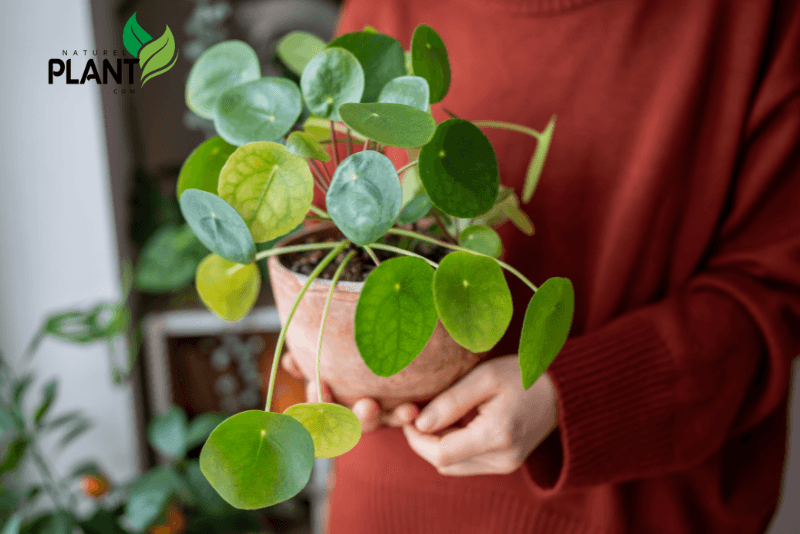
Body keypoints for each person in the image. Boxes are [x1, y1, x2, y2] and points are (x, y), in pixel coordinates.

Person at [283, 0, 800, 532]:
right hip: (395, 497)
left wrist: (571, 396)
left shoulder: (755, 19)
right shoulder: (382, 10)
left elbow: (774, 294)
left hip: (631, 505)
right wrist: (323, 341)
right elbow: (334, 226)